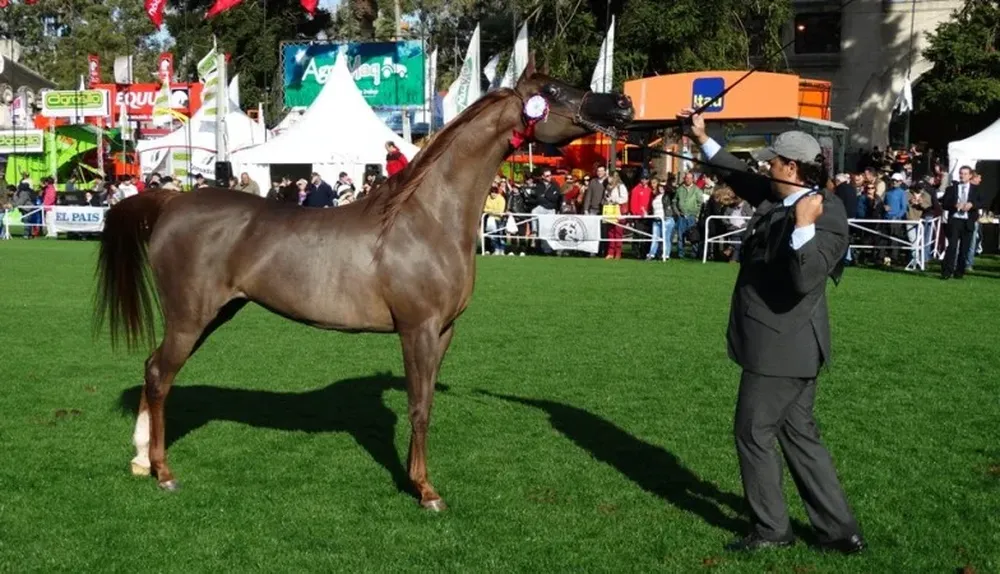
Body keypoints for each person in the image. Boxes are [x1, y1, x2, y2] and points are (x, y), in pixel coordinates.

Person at [678, 107, 865, 555]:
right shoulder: (782, 195)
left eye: (774, 162)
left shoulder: (826, 213)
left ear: (794, 168)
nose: (766, 166)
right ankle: (839, 531)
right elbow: (741, 176)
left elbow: (807, 278)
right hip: (786, 346)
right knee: (799, 435)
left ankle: (771, 530)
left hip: (783, 348)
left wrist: (803, 228)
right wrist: (703, 137)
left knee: (752, 432)